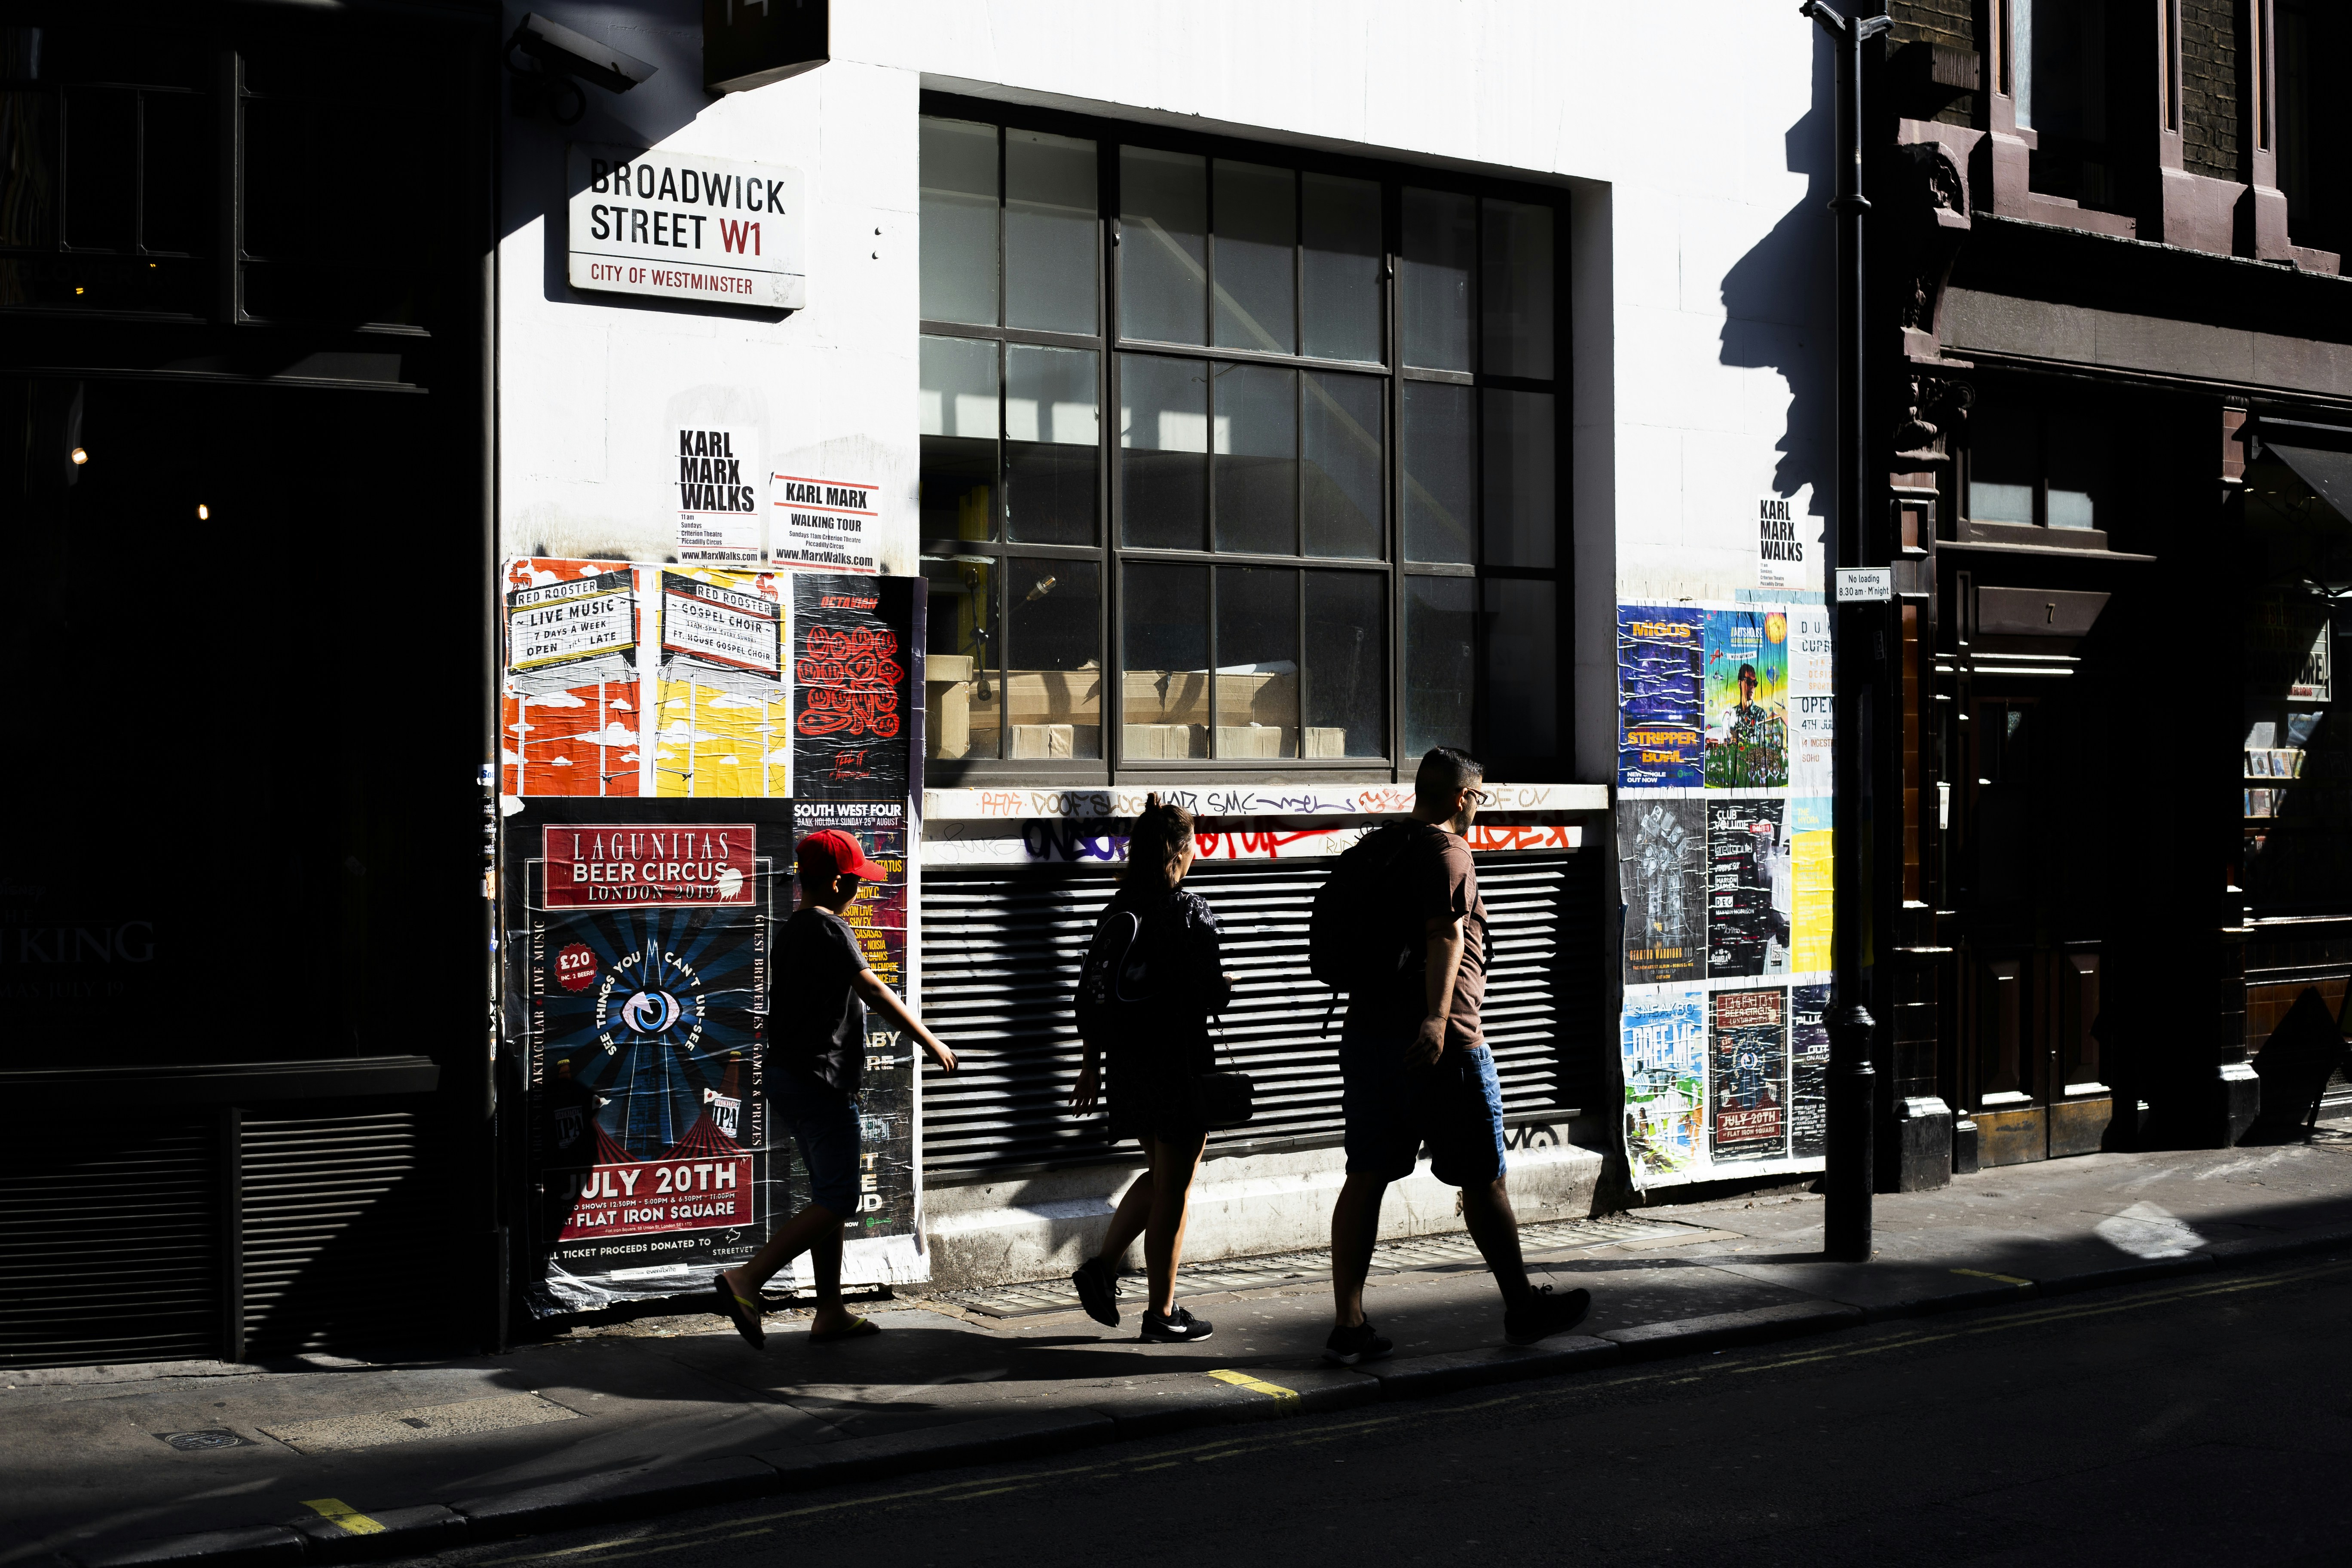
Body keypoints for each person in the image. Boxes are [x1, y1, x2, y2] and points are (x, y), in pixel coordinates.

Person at [1323, 747, 1592, 1365]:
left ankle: (1348, 1324)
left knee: (1364, 1176)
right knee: (1484, 1177)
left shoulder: (1379, 847)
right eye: (1479, 797)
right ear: (1462, 798)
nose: (1478, 807)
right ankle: (1522, 1307)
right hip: (1440, 1045)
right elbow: (1446, 933)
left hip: (1367, 1037)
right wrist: (1439, 1021)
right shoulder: (1448, 851)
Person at [712, 828, 957, 1349]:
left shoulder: (793, 928)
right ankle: (747, 1279)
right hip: (819, 1080)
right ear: (841, 883)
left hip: (791, 1077)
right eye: (858, 882)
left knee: (828, 1194)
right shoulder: (830, 930)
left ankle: (829, 1311)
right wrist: (929, 1040)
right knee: (841, 1197)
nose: (861, 890)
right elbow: (871, 986)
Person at [1066, 795, 1229, 1344]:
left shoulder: (1118, 909)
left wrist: (1091, 1066)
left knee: (1163, 1176)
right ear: (1181, 853)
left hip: (1129, 1067)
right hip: (1178, 1063)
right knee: (1175, 1188)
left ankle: (1103, 1269)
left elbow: (1091, 995)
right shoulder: (1187, 909)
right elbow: (1212, 992)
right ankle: (1161, 1313)